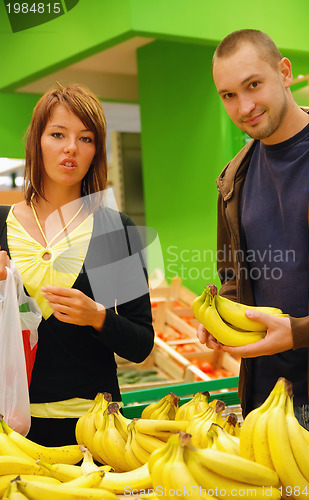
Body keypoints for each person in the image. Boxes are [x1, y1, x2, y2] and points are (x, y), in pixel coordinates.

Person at [0, 84, 155, 445]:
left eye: (85, 138)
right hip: (10, 425)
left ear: (95, 152)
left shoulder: (115, 230)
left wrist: (97, 317)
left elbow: (141, 343)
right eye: (57, 134)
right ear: (37, 142)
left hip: (95, 426)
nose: (71, 147)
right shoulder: (0, 225)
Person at [197, 29, 309, 433]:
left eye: (253, 85)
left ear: (285, 71)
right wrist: (221, 311)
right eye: (228, 95)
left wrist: (299, 331)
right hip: (263, 401)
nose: (245, 106)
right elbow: (234, 279)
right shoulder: (232, 181)